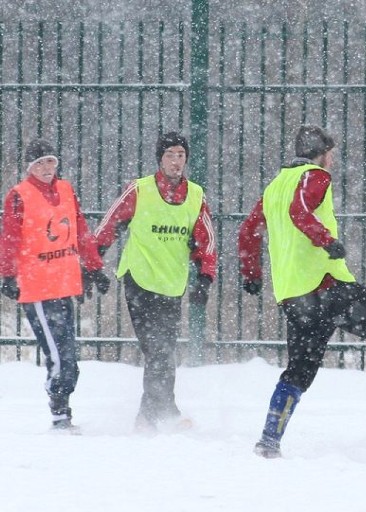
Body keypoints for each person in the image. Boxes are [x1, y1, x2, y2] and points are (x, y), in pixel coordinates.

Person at [237, 124, 366, 459]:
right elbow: (299, 211)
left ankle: (269, 440)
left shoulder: (274, 186)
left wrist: (251, 274)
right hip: (326, 285)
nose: (331, 159)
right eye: (330, 153)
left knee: (300, 370)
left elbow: (248, 232)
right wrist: (325, 240)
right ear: (322, 153)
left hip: (293, 295)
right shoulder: (315, 176)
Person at [94, 131, 217, 433]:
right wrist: (93, 264)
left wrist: (205, 276)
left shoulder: (196, 196)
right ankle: (159, 413)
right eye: (170, 155)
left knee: (164, 349)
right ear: (159, 159)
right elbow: (109, 224)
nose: (176, 161)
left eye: (181, 155)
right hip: (140, 278)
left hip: (172, 282)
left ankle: (154, 412)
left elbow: (207, 239)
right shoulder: (140, 189)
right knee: (158, 348)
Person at [0, 138, 110, 431]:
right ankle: (59, 410)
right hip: (37, 287)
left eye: (51, 161)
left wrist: (95, 268)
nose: (47, 167)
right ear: (30, 167)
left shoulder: (66, 190)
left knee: (69, 353)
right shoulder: (18, 196)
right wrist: (8, 274)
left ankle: (63, 405)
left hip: (64, 283)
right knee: (58, 355)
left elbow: (81, 230)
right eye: (40, 163)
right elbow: (10, 238)